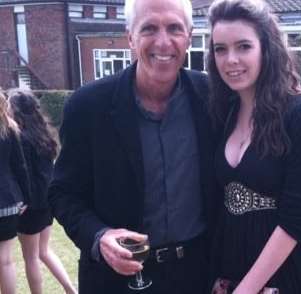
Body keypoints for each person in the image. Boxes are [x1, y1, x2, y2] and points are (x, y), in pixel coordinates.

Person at [48, 0, 218, 293]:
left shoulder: (214, 99)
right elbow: (63, 193)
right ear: (130, 36)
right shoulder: (88, 106)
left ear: (189, 36)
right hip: (116, 281)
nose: (163, 42)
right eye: (149, 28)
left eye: (175, 28)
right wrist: (98, 237)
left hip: (198, 275)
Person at [207, 0, 301, 292]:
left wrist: (247, 289)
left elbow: (295, 218)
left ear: (266, 49)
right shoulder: (223, 111)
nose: (230, 59)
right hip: (228, 263)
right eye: (220, 49)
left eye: (243, 46)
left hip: (280, 271)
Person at [7, 89, 77, 294]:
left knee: (31, 257)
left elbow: (22, 174)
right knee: (44, 252)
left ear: (16, 110)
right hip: (47, 202)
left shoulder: (19, 138)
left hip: (30, 205)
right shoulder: (44, 134)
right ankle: (70, 289)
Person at [0, 90, 30, 294]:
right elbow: (21, 167)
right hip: (9, 202)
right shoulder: (11, 129)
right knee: (6, 260)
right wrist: (25, 198)